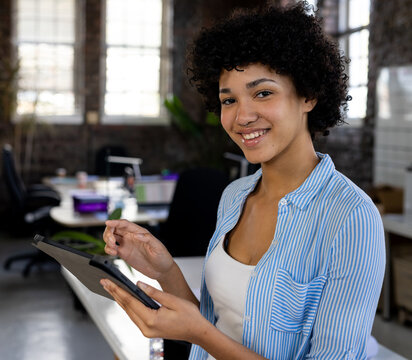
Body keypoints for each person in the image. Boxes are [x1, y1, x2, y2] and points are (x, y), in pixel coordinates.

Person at [100, 2, 385, 359]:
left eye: (263, 93)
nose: (242, 116)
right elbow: (217, 323)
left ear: (308, 95)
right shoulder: (234, 196)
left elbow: (205, 333)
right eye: (229, 100)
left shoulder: (351, 218)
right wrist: (166, 270)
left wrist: (201, 334)